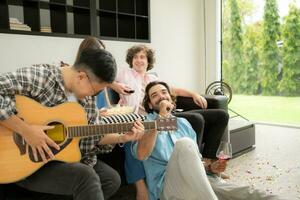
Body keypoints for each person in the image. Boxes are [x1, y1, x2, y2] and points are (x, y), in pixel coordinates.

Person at [0, 47, 145, 200]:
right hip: (25, 162)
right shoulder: (42, 77)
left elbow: (93, 134)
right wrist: (26, 131)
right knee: (86, 177)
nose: (94, 95)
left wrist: (122, 138)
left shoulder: (87, 98)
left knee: (111, 179)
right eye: (95, 91)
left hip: (60, 159)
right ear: (81, 77)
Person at [109, 44, 229, 200]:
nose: (139, 60)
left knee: (215, 117)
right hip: (139, 119)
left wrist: (194, 94)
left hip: (163, 114)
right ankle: (141, 188)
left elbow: (174, 90)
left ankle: (205, 165)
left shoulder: (153, 78)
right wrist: (115, 85)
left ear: (148, 61)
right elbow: (101, 78)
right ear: (130, 60)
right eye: (135, 57)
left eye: (142, 57)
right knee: (194, 120)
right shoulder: (124, 73)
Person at [132, 80, 282, 200]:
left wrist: (211, 168)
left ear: (171, 98)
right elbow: (141, 155)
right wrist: (161, 119)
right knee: (185, 143)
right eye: (154, 95)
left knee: (245, 193)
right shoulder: (145, 124)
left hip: (198, 181)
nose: (161, 96)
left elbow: (195, 162)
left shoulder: (184, 124)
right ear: (150, 105)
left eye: (164, 92)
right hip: (168, 187)